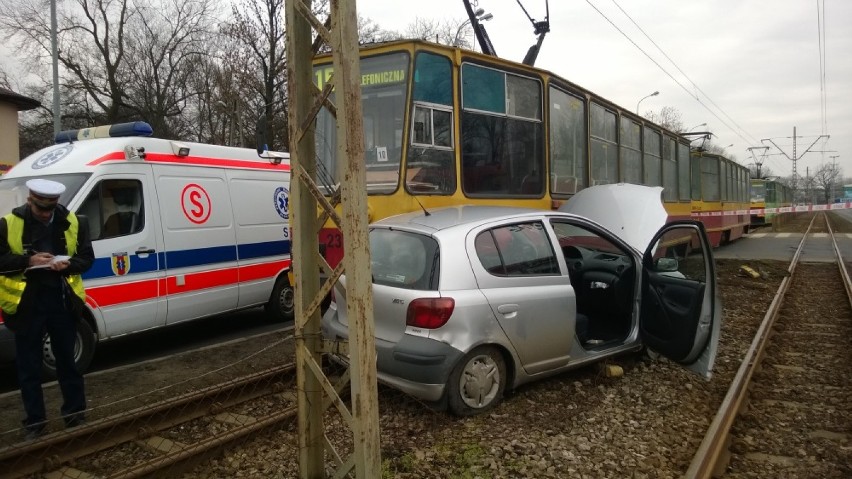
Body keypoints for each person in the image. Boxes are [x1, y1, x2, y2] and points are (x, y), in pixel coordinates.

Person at [0, 178, 94, 440]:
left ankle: (75, 416)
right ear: (30, 200)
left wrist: (69, 265)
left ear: (56, 204)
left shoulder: (75, 221)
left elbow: (86, 258)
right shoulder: (8, 223)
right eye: (40, 209)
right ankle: (35, 423)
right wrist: (28, 260)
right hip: (26, 305)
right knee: (28, 367)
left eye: (49, 210)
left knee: (68, 362)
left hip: (61, 301)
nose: (45, 215)